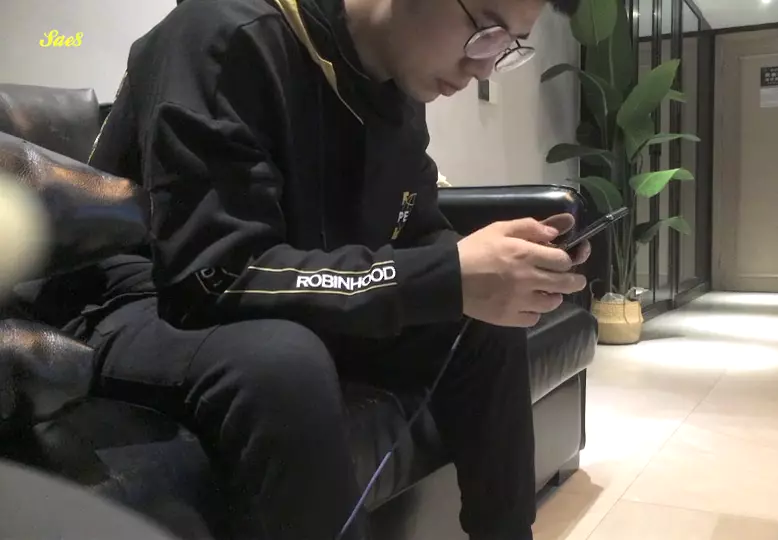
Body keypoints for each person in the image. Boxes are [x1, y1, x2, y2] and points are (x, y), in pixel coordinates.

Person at [73, 0, 590, 537]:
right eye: (486, 28)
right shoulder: (223, 35)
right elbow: (214, 273)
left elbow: (413, 233)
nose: (483, 68)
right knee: (281, 361)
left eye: (508, 46)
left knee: (484, 320)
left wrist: (493, 267)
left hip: (285, 295)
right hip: (142, 297)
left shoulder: (397, 82)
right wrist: (444, 276)